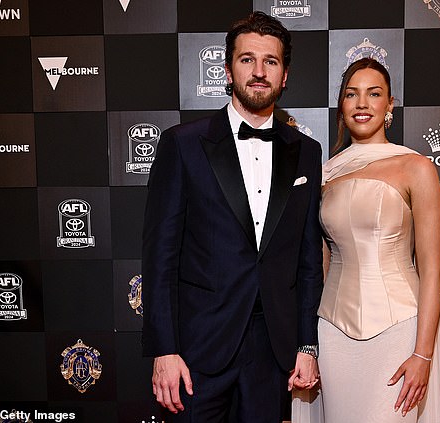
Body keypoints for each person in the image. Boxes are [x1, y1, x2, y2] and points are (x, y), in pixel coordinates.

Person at [142, 11, 323, 423]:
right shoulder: (183, 145)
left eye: (271, 62)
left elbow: (309, 260)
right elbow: (159, 259)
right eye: (247, 60)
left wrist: (306, 346)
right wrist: (164, 349)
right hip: (196, 351)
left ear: (285, 75)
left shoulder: (306, 152)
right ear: (227, 69)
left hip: (272, 352)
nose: (259, 72)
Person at [293, 57, 440, 422]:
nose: (362, 104)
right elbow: (320, 264)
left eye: (374, 94)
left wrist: (422, 355)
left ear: (389, 104)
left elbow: (433, 270)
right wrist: (309, 345)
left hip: (399, 333)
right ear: (342, 106)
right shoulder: (324, 172)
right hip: (332, 332)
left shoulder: (417, 167)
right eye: (352, 94)